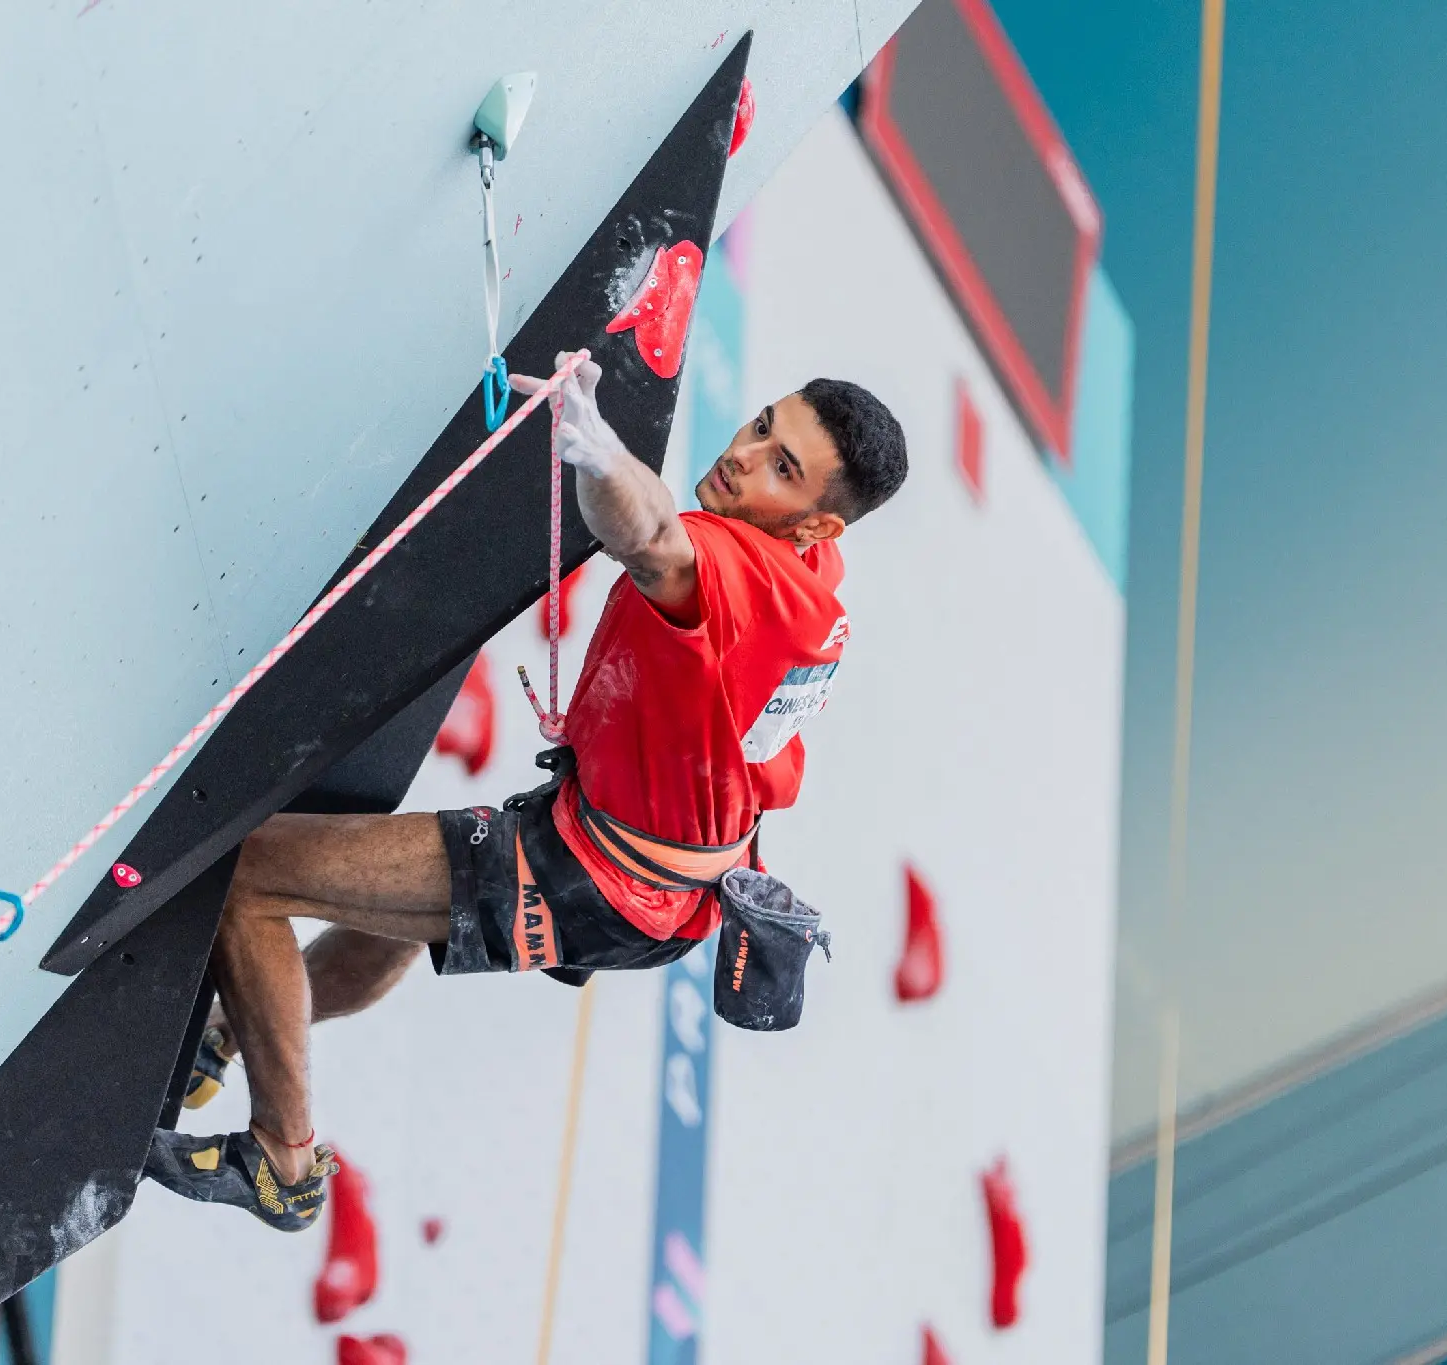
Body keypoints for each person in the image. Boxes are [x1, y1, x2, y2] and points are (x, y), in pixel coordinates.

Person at [143, 351, 907, 1229]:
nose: (745, 453)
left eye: (783, 469)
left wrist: (595, 453)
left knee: (250, 876)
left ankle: (282, 1159)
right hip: (658, 878)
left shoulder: (750, 572)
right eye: (764, 425)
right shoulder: (816, 585)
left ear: (816, 528)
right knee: (404, 915)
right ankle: (232, 1032)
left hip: (603, 874)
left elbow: (652, 536)